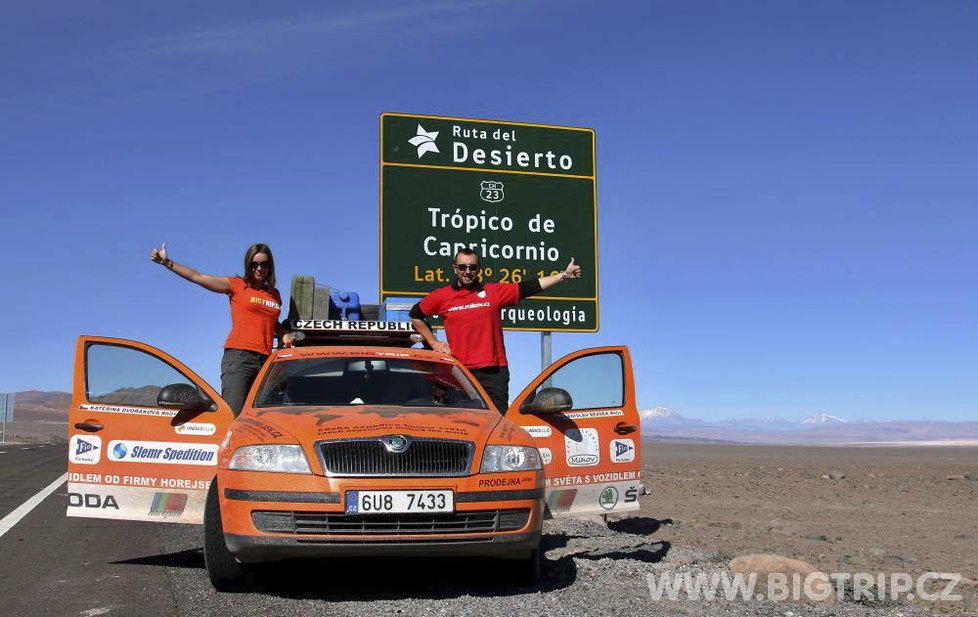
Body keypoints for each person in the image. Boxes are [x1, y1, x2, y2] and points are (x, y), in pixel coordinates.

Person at [410, 249, 581, 413]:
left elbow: (527, 287)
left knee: (495, 425)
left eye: (472, 267)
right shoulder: (442, 296)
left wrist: (562, 276)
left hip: (493, 373)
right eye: (462, 267)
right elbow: (416, 315)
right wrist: (433, 342)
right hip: (459, 372)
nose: (467, 271)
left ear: (478, 269)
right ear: (455, 268)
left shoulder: (492, 292)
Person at [149, 242, 293, 414]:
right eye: (254, 264)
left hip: (265, 360)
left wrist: (284, 334)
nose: (259, 268)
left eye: (264, 264)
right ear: (248, 265)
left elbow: (271, 321)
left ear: (270, 266)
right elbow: (198, 277)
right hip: (240, 358)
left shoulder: (274, 294)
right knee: (234, 414)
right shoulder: (237, 285)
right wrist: (168, 263)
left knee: (260, 416)